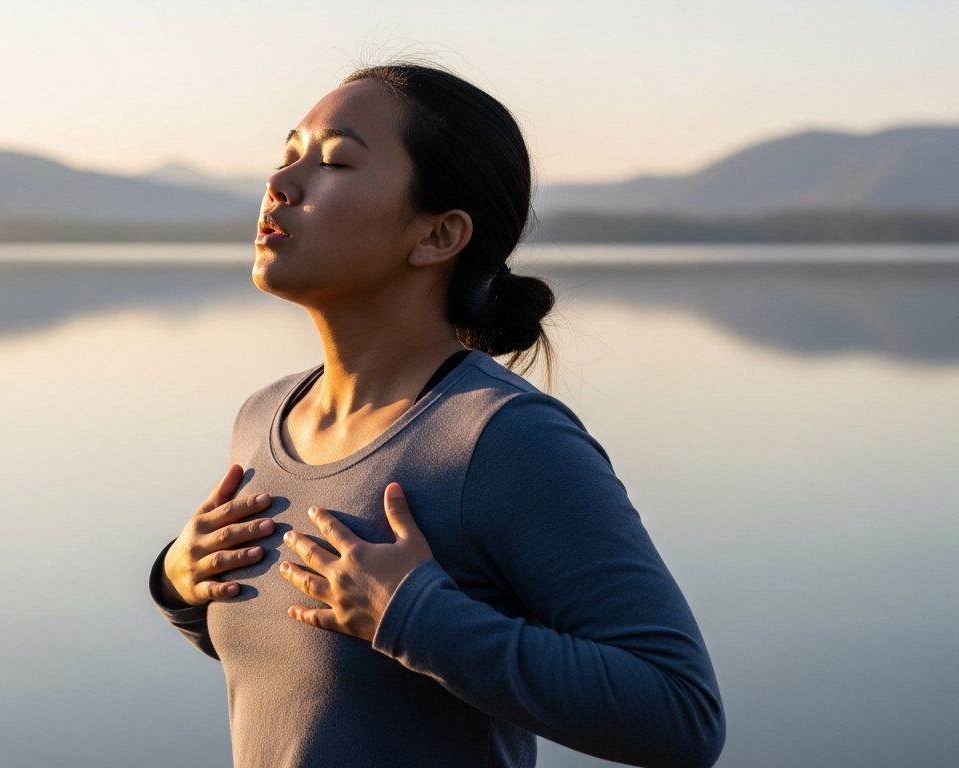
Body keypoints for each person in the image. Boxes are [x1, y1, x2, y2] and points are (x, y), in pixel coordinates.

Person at [149, 63, 725, 768]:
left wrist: (416, 618)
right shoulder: (263, 418)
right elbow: (305, 666)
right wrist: (179, 584)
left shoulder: (503, 437)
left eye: (333, 161)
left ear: (438, 236)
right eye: (288, 152)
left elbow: (681, 715)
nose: (282, 183)